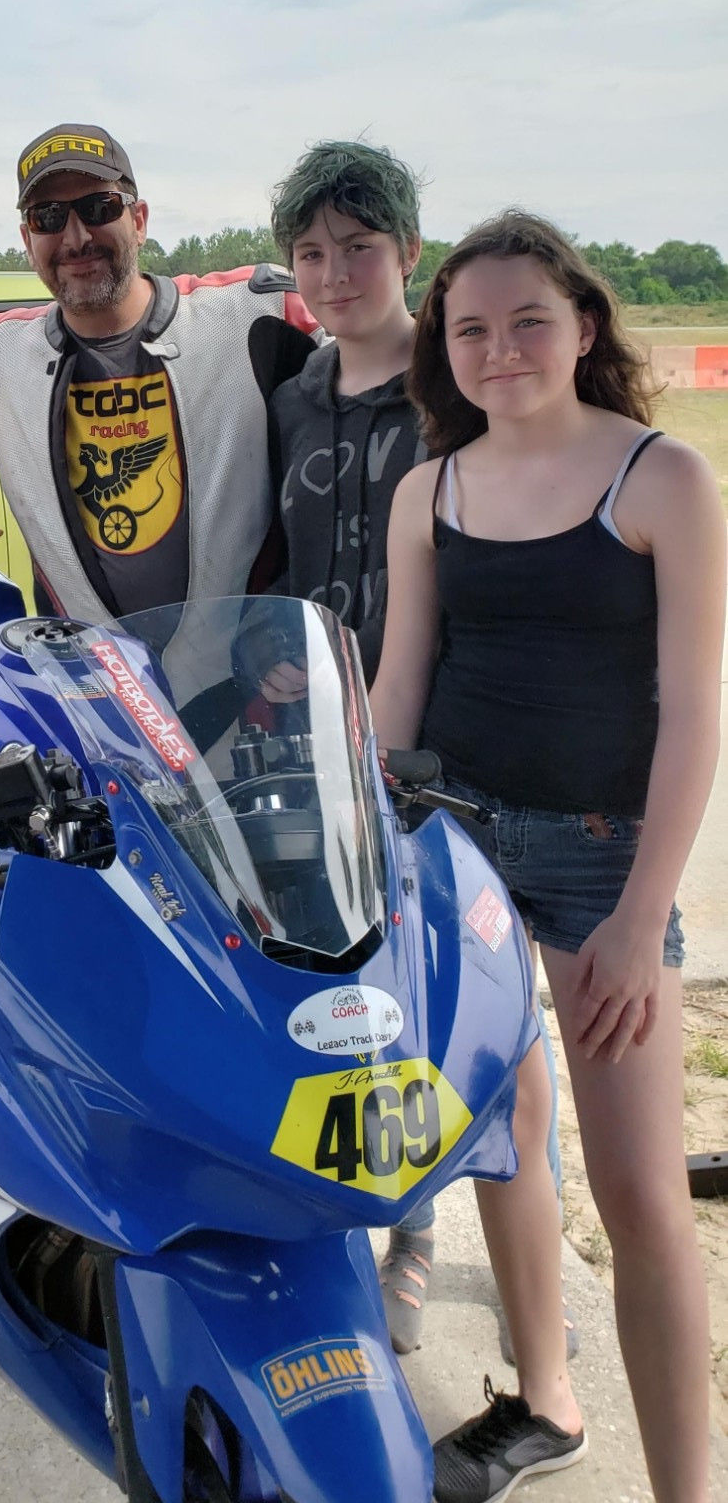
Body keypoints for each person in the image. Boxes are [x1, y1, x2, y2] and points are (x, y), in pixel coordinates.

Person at [371, 212, 723, 1503]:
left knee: (640, 1202)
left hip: (597, 867)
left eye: (529, 320)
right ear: (445, 352)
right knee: (506, 1143)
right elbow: (403, 690)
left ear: (583, 326)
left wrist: (641, 918)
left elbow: (693, 716)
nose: (501, 347)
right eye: (471, 328)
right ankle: (547, 1398)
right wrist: (377, 849)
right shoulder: (433, 491)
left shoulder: (661, 480)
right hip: (455, 861)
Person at [267, 141, 570, 1360]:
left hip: (445, 743)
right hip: (317, 745)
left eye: (360, 247)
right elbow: (279, 555)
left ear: (408, 254)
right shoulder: (289, 389)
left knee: (463, 1000)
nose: (336, 273)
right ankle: (367, 1208)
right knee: (345, 988)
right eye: (313, 252)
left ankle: (424, 1233)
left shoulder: (457, 392)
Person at [0, 124, 318, 620]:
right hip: (92, 678)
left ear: (139, 220)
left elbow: (376, 379)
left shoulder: (257, 315)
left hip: (244, 674)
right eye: (48, 217)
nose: (76, 238)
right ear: (29, 241)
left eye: (99, 208)